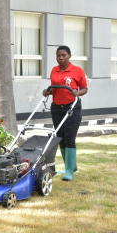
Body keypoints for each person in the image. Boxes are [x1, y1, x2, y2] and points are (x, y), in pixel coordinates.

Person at [42, 46, 88, 181]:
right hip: (56, 108)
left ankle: (69, 171)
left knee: (70, 139)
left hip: (72, 108)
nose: (60, 58)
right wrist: (47, 92)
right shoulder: (54, 70)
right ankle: (70, 165)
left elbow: (84, 89)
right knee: (60, 138)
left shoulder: (77, 71)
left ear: (69, 56)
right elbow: (54, 89)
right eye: (58, 55)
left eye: (63, 55)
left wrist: (77, 92)